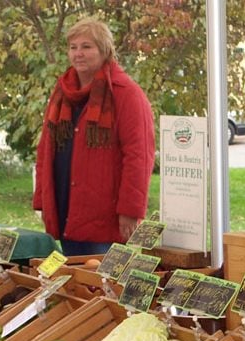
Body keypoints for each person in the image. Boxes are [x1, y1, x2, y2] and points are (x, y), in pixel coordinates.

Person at [33, 17, 155, 256]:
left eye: (86, 46)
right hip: (65, 209)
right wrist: (42, 201)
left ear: (104, 51)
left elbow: (139, 157)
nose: (78, 53)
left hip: (105, 218)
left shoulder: (126, 94)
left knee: (103, 285)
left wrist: (130, 210)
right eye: (73, 47)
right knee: (77, 285)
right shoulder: (62, 92)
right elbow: (45, 151)